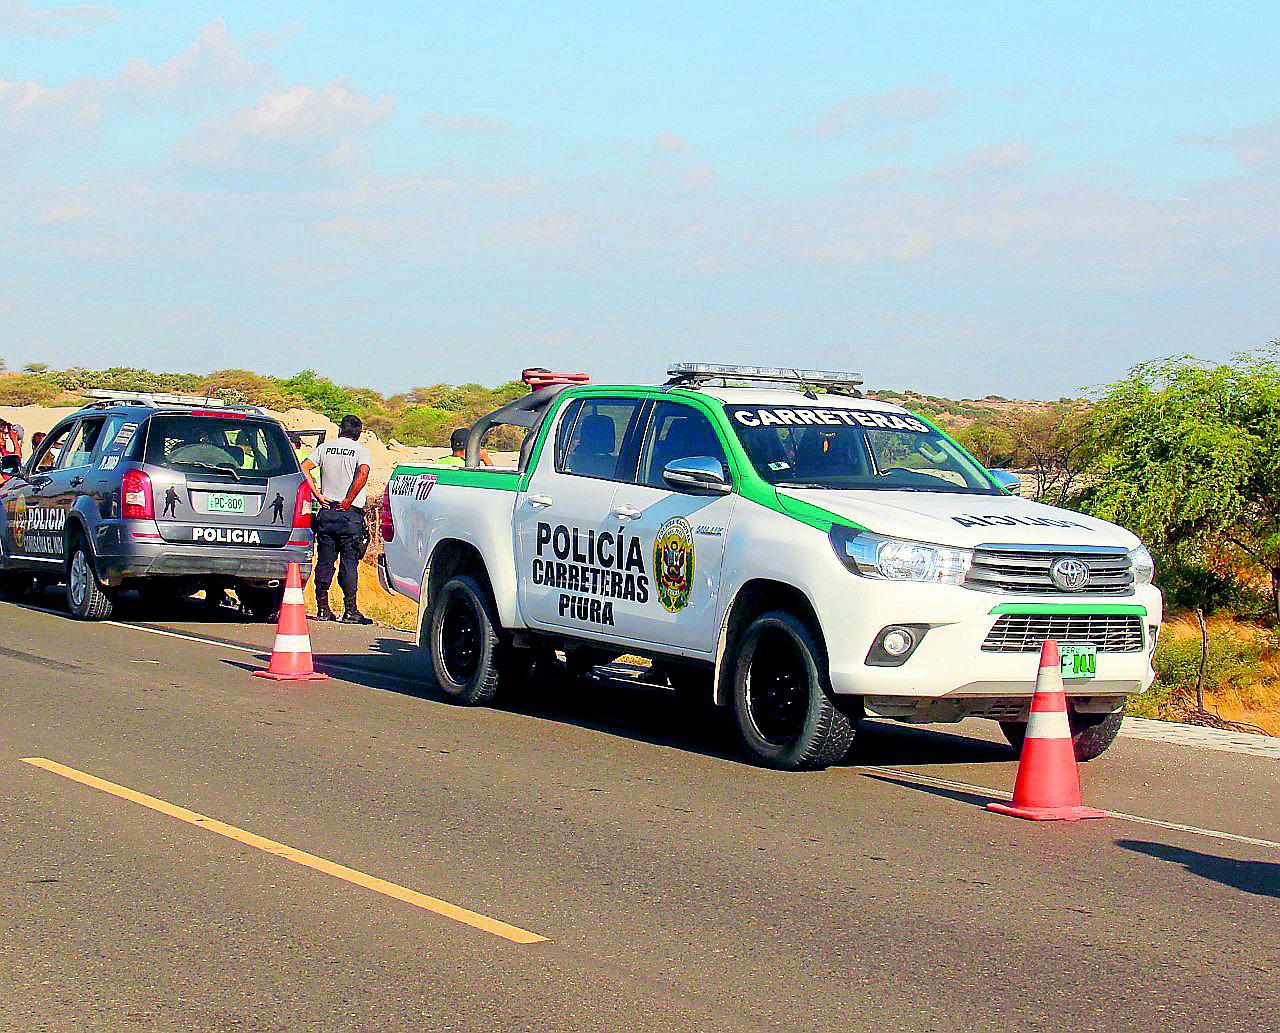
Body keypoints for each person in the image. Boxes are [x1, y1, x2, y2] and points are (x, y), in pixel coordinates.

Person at [302, 415, 373, 624]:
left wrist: (317, 494)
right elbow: (363, 472)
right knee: (349, 562)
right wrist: (349, 499)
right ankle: (350, 610)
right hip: (349, 513)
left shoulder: (324, 448)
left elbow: (304, 467)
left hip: (327, 511)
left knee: (324, 561)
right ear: (358, 434)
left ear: (340, 430)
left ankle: (323, 608)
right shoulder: (361, 451)